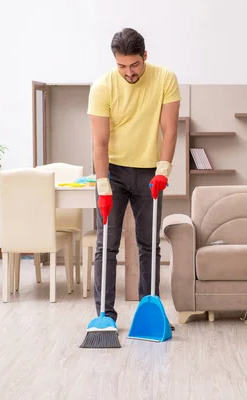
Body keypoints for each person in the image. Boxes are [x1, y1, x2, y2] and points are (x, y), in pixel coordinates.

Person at [87, 27, 181, 326]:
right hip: (112, 173)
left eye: (135, 65)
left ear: (145, 57)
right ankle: (105, 315)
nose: (129, 72)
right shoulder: (102, 86)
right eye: (122, 66)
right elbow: (100, 142)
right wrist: (103, 187)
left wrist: (163, 171)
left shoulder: (165, 78)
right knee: (107, 245)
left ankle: (147, 314)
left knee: (148, 244)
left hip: (149, 173)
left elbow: (169, 130)